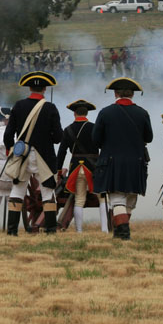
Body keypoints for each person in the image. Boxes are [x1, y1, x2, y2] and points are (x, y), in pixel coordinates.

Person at [3, 71, 64, 235]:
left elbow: (8, 134)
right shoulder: (50, 108)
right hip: (44, 155)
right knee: (47, 192)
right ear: (44, 89)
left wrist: (10, 149)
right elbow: (58, 137)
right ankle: (50, 230)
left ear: (29, 88)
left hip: (22, 154)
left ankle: (12, 231)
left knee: (17, 191)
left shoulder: (18, 105)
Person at [92, 77, 152, 240]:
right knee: (130, 200)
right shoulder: (142, 113)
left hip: (112, 162)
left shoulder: (105, 112)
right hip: (136, 162)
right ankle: (120, 232)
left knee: (118, 200)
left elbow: (96, 140)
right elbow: (149, 137)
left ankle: (123, 233)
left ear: (116, 94)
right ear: (132, 94)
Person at [56, 99, 100, 233]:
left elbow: (62, 152)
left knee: (79, 199)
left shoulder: (68, 129)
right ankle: (105, 230)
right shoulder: (94, 128)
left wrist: (58, 170)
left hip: (76, 167)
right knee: (102, 198)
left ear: (74, 113)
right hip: (93, 166)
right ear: (87, 113)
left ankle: (79, 230)